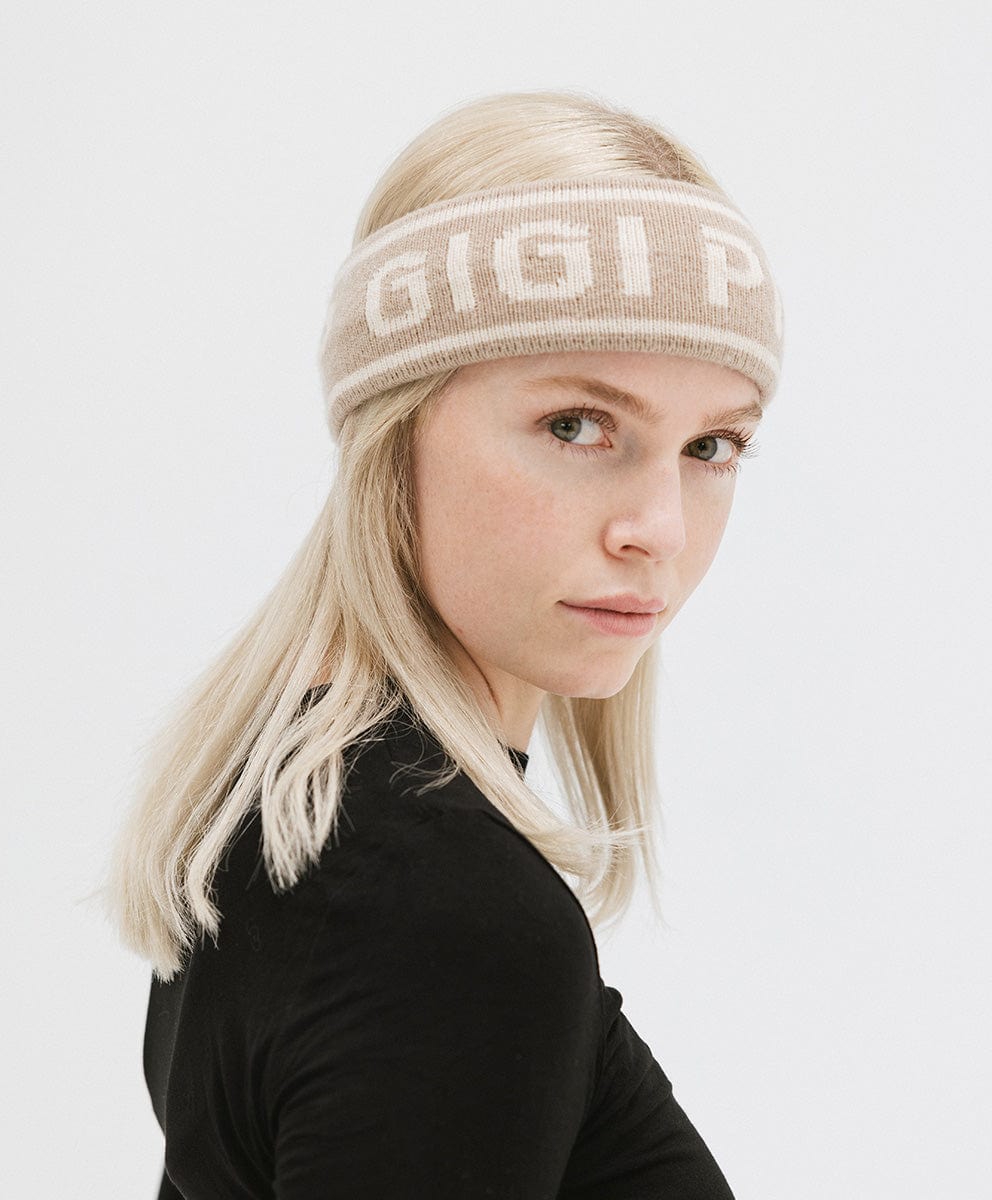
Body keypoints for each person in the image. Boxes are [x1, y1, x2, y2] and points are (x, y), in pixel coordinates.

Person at [106, 88, 784, 1198]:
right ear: (393, 427)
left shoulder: (285, 818)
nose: (657, 528)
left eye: (712, 445)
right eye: (577, 424)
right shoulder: (443, 910)